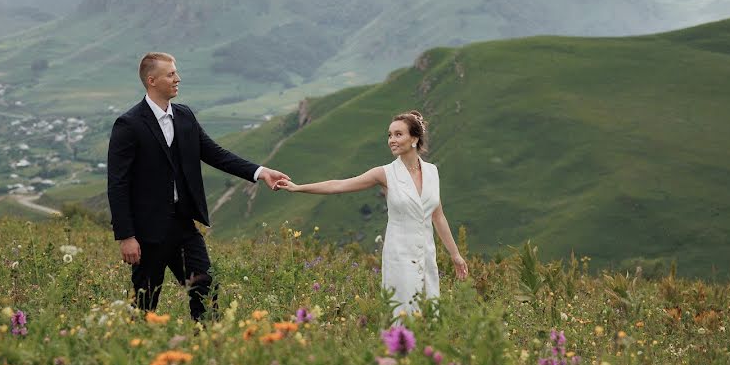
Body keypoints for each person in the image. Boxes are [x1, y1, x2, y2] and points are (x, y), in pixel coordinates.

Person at [107, 52, 290, 320]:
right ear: (152, 80)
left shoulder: (185, 117)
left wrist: (261, 172)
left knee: (205, 288)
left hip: (183, 227)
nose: (177, 78)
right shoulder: (129, 124)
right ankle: (137, 352)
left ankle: (206, 344)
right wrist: (126, 236)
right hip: (147, 233)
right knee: (145, 304)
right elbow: (117, 183)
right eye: (171, 74)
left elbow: (215, 154)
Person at [276, 110, 467, 317]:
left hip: (427, 256)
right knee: (403, 314)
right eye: (389, 135)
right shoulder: (385, 173)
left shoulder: (432, 172)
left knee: (430, 313)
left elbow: (437, 216)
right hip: (399, 256)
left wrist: (455, 255)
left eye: (398, 134)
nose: (391, 140)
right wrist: (297, 187)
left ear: (414, 138)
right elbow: (338, 185)